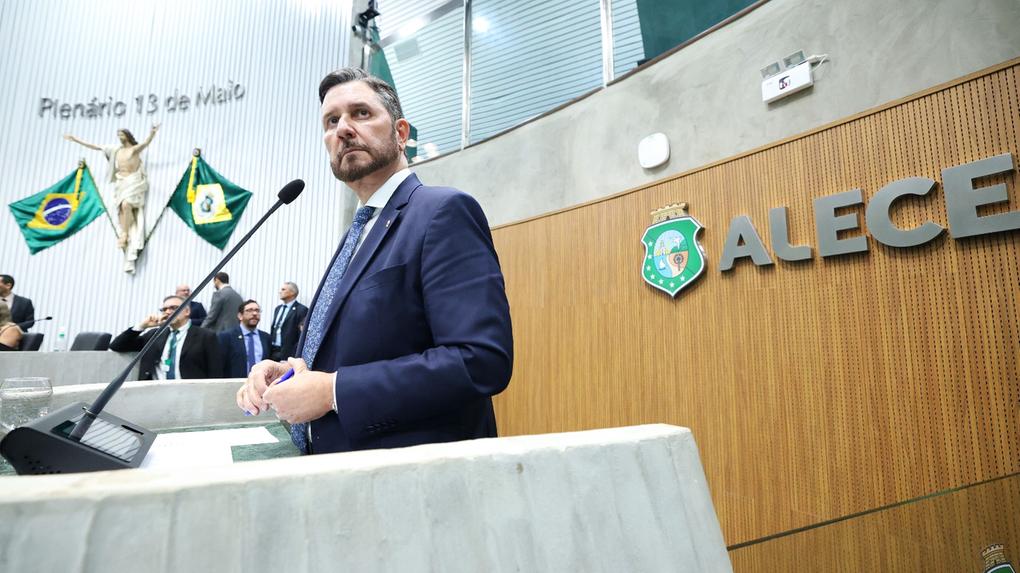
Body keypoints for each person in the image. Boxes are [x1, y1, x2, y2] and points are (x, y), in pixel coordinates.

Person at [237, 67, 513, 455]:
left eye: (361, 113)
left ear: (401, 133)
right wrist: (291, 372)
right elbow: (357, 349)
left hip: (411, 475)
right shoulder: (358, 232)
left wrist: (332, 391)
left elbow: (480, 360)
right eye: (331, 121)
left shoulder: (442, 211)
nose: (344, 129)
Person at [64, 125, 160, 274]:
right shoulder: (116, 150)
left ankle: (125, 234)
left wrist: (152, 133)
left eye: (121, 134)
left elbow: (146, 143)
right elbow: (96, 147)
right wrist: (76, 140)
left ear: (127, 136)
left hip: (133, 181)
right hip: (121, 182)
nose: (119, 137)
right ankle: (125, 233)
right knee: (122, 208)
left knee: (127, 204)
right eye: (118, 135)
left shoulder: (133, 150)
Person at [109, 295, 222, 380]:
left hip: (189, 394)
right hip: (156, 392)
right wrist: (142, 326)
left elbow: (216, 371)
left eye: (173, 308)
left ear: (187, 311)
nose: (168, 312)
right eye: (164, 309)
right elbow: (117, 346)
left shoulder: (206, 336)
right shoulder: (154, 335)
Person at [218, 300, 272, 379]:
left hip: (261, 383)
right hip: (234, 383)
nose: (254, 313)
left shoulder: (266, 337)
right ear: (240, 316)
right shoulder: (227, 337)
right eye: (249, 310)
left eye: (257, 310)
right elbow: (219, 364)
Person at [268, 281, 308, 361]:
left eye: (283, 289)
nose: (280, 292)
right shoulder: (278, 309)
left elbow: (301, 334)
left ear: (292, 292)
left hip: (289, 353)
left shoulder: (301, 310)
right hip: (273, 351)